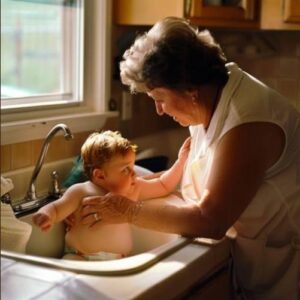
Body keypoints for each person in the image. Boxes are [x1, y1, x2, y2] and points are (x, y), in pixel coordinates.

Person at [80, 17, 300, 299]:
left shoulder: (249, 122)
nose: (158, 109)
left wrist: (128, 211)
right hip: (258, 262)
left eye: (159, 96)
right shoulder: (208, 100)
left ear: (188, 88)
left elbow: (211, 219)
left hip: (288, 276)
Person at [32, 130, 190, 261]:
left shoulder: (133, 189)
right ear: (100, 175)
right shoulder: (81, 191)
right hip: (81, 258)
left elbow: (163, 184)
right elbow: (57, 208)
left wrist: (181, 161)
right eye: (125, 169)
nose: (134, 174)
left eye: (132, 166)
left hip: (118, 260)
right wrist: (46, 215)